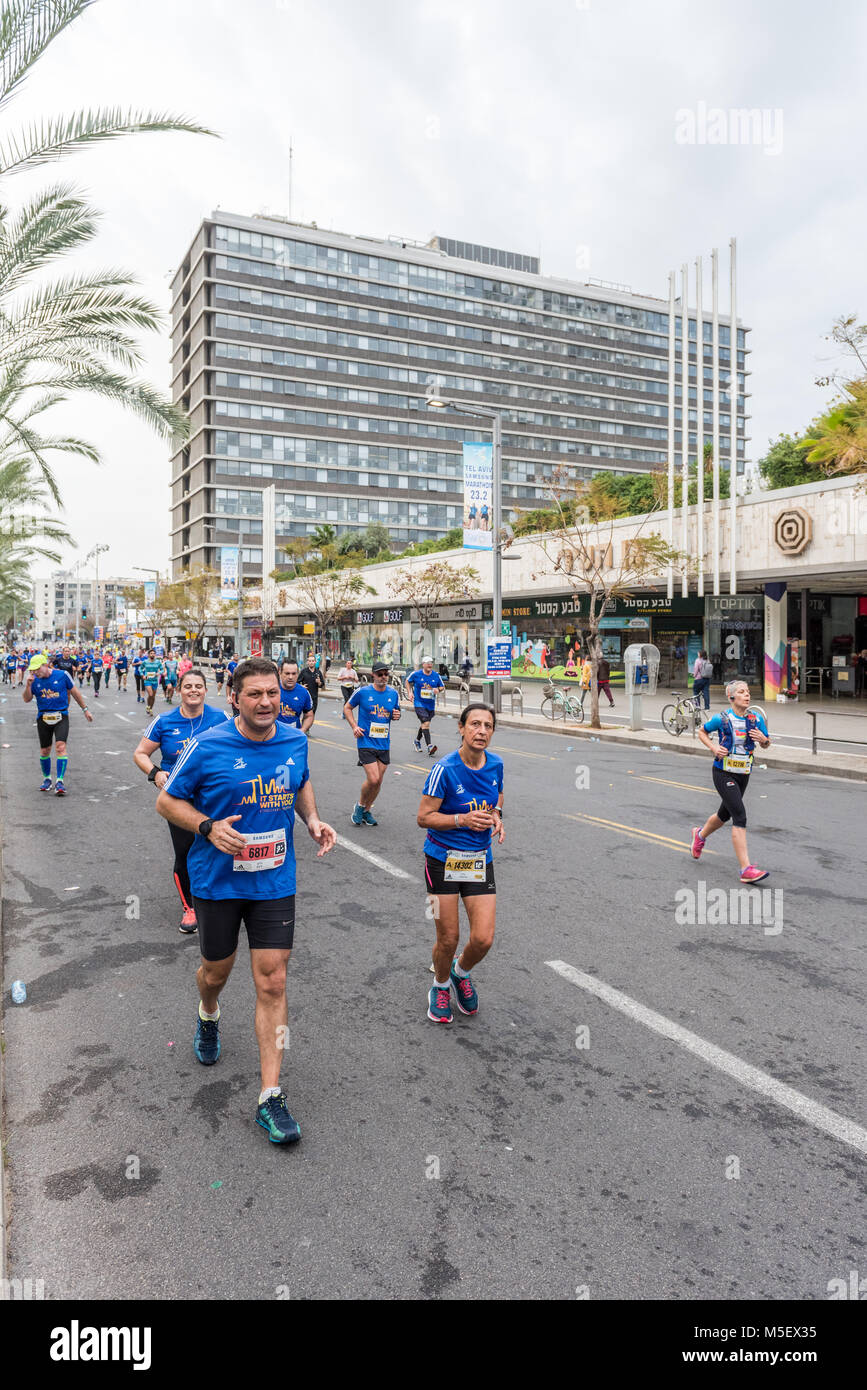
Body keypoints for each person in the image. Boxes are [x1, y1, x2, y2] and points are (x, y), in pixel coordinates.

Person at [155, 657, 337, 1145]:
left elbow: (299, 782)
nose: (266, 702)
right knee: (216, 971)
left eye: (272, 693)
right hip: (218, 881)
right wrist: (208, 828)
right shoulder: (207, 745)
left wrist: (312, 820)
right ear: (234, 697)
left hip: (274, 879)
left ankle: (270, 1096)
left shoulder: (295, 739)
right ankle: (208, 1012)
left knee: (273, 982)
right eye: (254, 694)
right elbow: (167, 801)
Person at [417, 704, 504, 1024]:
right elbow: (423, 817)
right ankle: (439, 986)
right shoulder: (445, 769)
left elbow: (498, 798)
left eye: (488, 726)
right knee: (448, 938)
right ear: (461, 728)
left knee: (483, 938)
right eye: (476, 724)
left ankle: (459, 972)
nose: (482, 731)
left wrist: (497, 816)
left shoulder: (496, 764)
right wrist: (462, 819)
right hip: (442, 860)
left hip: (479, 860)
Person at [134, 667, 230, 933]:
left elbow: (236, 745)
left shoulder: (220, 718)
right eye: (188, 686)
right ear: (179, 690)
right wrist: (155, 773)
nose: (193, 691)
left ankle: (221, 900)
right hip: (179, 799)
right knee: (186, 852)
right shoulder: (164, 722)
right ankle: (189, 907)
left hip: (215, 797)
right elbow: (140, 753)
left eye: (198, 686)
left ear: (205, 690)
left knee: (220, 847)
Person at [691, 680, 771, 883]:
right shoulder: (722, 718)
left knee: (723, 815)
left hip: (743, 773)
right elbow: (702, 731)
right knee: (740, 815)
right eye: (742, 692)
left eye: (748, 692)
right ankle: (746, 869)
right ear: (731, 697)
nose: (747, 695)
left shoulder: (756, 719)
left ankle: (699, 835)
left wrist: (763, 740)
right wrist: (713, 748)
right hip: (723, 772)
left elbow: (767, 744)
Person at [23, 653, 93, 794]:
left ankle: (59, 781)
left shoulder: (62, 675)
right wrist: (28, 686)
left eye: (37, 669)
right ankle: (47, 779)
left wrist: (85, 709)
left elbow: (75, 692)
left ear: (45, 665)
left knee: (60, 747)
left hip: (61, 716)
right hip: (43, 717)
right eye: (33, 670)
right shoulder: (34, 680)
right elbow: (27, 699)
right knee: (45, 751)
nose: (35, 672)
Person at [345, 659, 401, 825]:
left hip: (384, 743)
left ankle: (367, 811)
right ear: (373, 675)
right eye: (380, 674)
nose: (383, 677)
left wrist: (396, 716)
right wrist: (354, 726)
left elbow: (395, 713)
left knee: (378, 782)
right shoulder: (362, 692)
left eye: (386, 674)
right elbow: (347, 708)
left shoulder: (393, 694)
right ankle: (360, 806)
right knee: (374, 779)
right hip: (365, 742)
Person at [404, 656, 445, 757]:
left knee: (424, 724)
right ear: (423, 664)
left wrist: (438, 690)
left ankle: (417, 741)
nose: (430, 665)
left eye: (431, 663)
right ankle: (429, 746)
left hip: (430, 704)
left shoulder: (436, 675)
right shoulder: (416, 674)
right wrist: (409, 692)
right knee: (426, 723)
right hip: (419, 703)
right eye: (427, 663)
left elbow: (442, 686)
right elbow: (407, 681)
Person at [277, 659, 314, 733]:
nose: (290, 677)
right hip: (273, 737)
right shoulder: (271, 689)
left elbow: (309, 716)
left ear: (298, 674)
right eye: (287, 673)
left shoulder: (304, 692)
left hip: (294, 737)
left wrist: (302, 730)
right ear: (280, 673)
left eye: (294, 674)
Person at [298, 651, 325, 720]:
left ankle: (306, 728)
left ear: (315, 662)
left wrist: (319, 682)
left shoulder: (318, 672)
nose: (311, 662)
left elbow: (322, 685)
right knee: (306, 714)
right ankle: (305, 729)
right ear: (307, 662)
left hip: (314, 697)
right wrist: (302, 686)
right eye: (309, 661)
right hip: (305, 696)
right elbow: (297, 682)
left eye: (313, 661)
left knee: (312, 715)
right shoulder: (304, 671)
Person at [140, 648, 163, 715]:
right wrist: (143, 675)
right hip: (147, 680)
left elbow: (162, 669)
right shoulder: (145, 662)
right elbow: (140, 668)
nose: (152, 654)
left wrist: (158, 673)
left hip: (155, 681)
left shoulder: (158, 662)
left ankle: (150, 708)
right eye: (151, 653)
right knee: (150, 694)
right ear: (149, 655)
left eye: (153, 653)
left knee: (153, 697)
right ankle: (148, 706)